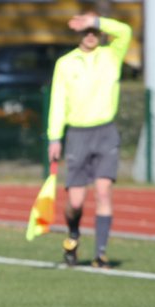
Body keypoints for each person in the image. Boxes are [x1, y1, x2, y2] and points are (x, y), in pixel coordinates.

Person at [47, 12, 132, 268]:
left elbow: (125, 31)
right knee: (75, 202)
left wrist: (95, 21)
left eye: (94, 31)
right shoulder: (65, 63)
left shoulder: (111, 55)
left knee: (104, 192)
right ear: (78, 35)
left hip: (106, 132)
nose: (91, 35)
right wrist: (54, 137)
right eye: (86, 31)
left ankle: (100, 254)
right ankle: (73, 234)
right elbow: (58, 101)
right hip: (77, 134)